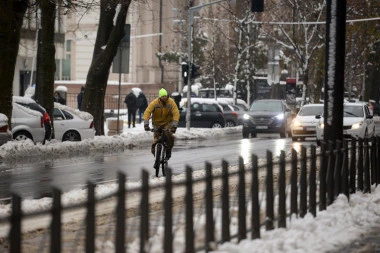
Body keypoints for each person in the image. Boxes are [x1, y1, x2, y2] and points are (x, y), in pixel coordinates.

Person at [143, 88, 180, 162]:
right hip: (156, 123)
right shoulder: (154, 103)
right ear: (160, 97)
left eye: (165, 96)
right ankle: (156, 156)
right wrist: (146, 124)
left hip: (167, 122)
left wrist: (174, 126)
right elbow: (147, 112)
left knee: (169, 136)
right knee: (156, 140)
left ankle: (168, 151)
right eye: (162, 96)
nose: (164, 97)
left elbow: (176, 113)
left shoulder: (171, 102)